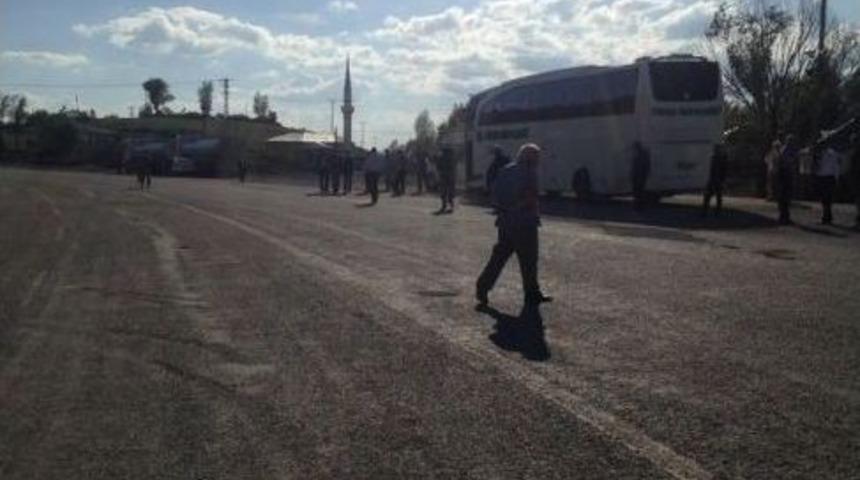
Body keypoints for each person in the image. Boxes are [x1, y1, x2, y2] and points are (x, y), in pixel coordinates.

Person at [476, 143, 552, 307]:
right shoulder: (529, 172)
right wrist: (520, 206)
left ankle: (482, 286)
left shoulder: (506, 170)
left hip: (505, 222)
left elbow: (494, 194)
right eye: (536, 157)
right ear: (530, 158)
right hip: (525, 222)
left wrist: (505, 209)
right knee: (529, 260)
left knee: (499, 257)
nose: (538, 161)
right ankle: (532, 293)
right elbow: (530, 196)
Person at [813, 143, 841, 225]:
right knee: (824, 198)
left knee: (827, 198)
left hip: (828, 177)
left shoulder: (832, 153)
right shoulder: (819, 154)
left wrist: (836, 177)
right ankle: (827, 215)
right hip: (822, 177)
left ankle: (827, 216)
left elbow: (836, 166)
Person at [775, 135, 798, 225]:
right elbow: (786, 161)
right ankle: (783, 216)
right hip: (784, 174)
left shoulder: (788, 150)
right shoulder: (785, 150)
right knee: (783, 197)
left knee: (786, 197)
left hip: (786, 174)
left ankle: (785, 216)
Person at [702, 144, 727, 217]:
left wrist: (722, 180)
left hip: (715, 179)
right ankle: (713, 211)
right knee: (713, 196)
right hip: (715, 179)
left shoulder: (716, 158)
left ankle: (708, 211)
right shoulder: (717, 158)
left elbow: (722, 170)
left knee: (711, 196)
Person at [436, 148, 457, 213]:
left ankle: (444, 206)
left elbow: (438, 167)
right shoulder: (452, 158)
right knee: (451, 192)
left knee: (444, 192)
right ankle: (451, 206)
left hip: (444, 176)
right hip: (450, 176)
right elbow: (455, 166)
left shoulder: (441, 157)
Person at [631, 141, 651, 210]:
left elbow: (636, 167)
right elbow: (647, 166)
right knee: (640, 191)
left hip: (639, 176)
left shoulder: (639, 155)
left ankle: (638, 205)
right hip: (641, 176)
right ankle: (639, 205)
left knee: (638, 192)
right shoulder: (643, 154)